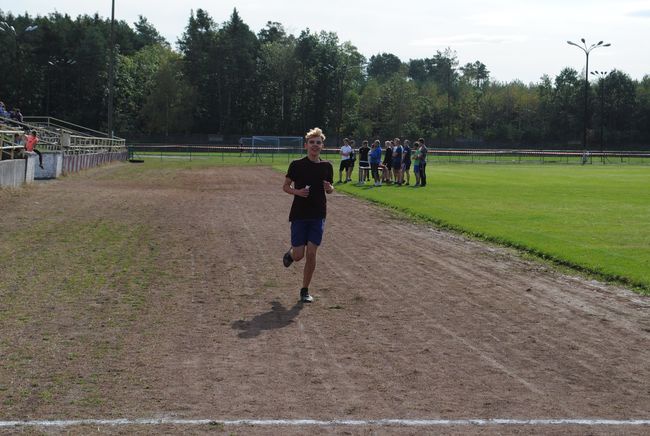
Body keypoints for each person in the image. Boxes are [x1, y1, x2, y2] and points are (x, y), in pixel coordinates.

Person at [282, 127, 334, 303]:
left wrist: (330, 189)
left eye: (318, 142)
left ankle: (305, 290)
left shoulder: (327, 166)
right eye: (312, 142)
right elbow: (285, 187)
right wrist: (298, 192)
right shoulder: (297, 165)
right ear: (306, 145)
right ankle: (290, 254)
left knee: (311, 253)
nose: (315, 145)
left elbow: (331, 189)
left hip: (318, 214)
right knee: (299, 255)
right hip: (299, 214)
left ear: (322, 146)